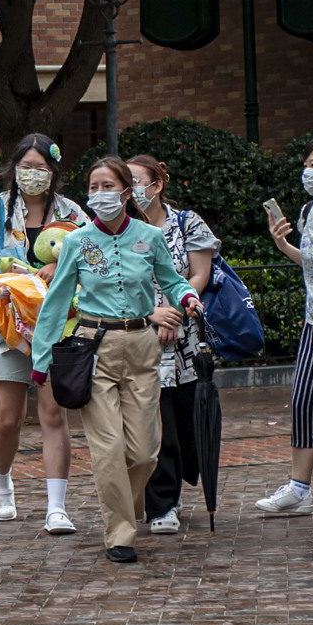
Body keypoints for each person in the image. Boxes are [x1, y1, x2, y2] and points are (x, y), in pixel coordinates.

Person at [30, 155, 203, 564]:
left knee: (144, 452)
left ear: (127, 191)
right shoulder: (76, 241)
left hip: (143, 347)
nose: (100, 195)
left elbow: (173, 279)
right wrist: (41, 358)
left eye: (109, 186)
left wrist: (186, 296)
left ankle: (127, 501)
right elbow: (55, 304)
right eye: (94, 187)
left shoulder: (150, 235)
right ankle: (120, 533)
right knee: (108, 449)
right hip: (95, 347)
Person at [0, 134, 89, 534]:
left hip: (58, 326)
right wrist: (8, 279)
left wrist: (59, 270)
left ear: (54, 171)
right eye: (26, 166)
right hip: (8, 327)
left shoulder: (72, 213)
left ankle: (56, 506)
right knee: (9, 417)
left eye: (41, 167)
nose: (32, 175)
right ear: (14, 168)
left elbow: (91, 259)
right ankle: (0, 480)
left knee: (54, 413)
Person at [127, 155, 219, 534]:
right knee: (153, 420)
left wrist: (174, 311)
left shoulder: (186, 222)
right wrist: (152, 313)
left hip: (185, 335)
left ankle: (177, 482)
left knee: (184, 421)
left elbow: (200, 273)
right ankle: (161, 503)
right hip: (138, 332)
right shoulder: (121, 227)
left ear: (157, 185)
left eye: (136, 181)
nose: (130, 190)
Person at [255, 134, 313, 515]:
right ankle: (299, 490)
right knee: (304, 401)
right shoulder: (307, 213)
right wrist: (283, 246)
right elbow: (312, 264)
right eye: (308, 164)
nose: (310, 172)